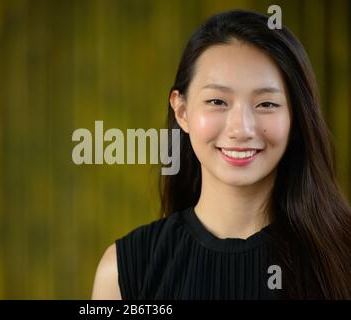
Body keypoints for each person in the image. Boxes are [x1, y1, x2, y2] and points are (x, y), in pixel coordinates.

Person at [91, 10, 351, 300]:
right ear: (182, 112)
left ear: (295, 119)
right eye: (217, 101)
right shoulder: (123, 272)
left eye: (266, 104)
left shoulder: (343, 255)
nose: (241, 129)